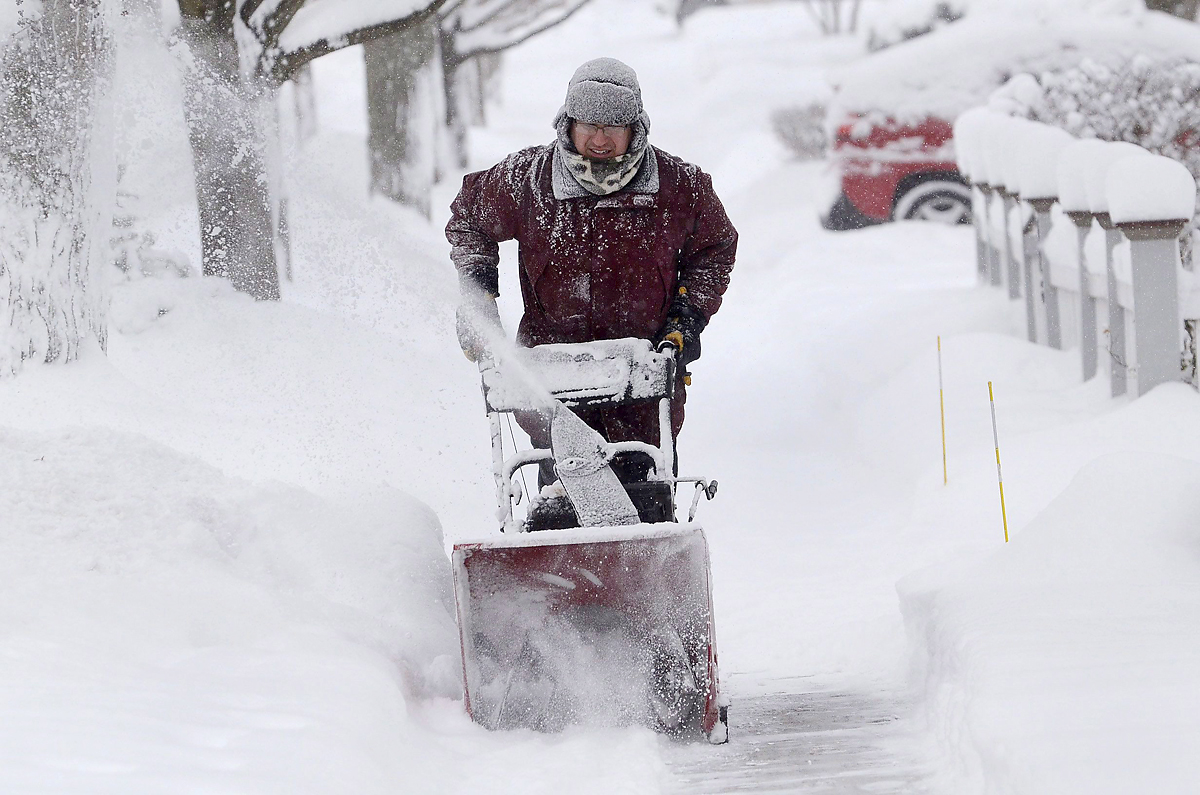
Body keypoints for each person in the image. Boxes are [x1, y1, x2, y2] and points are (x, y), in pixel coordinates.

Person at [447, 57, 737, 483]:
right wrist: (479, 303)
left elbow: (714, 250)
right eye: (589, 127)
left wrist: (686, 320)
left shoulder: (680, 188)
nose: (600, 140)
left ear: (635, 129)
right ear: (567, 124)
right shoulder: (527, 182)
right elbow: (469, 219)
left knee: (646, 498)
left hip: (645, 382)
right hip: (552, 386)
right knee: (559, 503)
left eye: (613, 128)